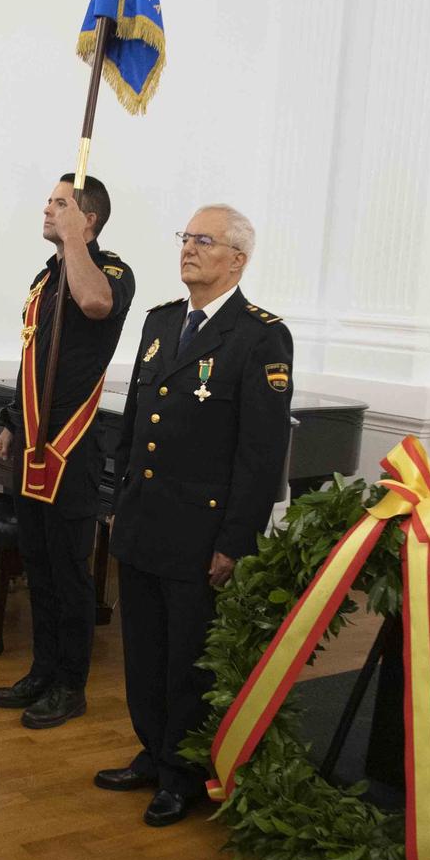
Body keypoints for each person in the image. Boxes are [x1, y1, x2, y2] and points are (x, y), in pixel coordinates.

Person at [100, 205, 292, 825]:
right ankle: (152, 752)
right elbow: (134, 425)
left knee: (187, 658)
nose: (188, 249)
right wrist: (117, 502)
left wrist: (234, 541)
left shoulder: (261, 336)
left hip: (199, 530)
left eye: (202, 241)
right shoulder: (159, 322)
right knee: (145, 650)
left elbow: (260, 457)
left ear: (236, 258)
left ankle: (183, 772)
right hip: (143, 519)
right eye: (185, 238)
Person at [0, 174, 135, 729]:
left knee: (71, 572)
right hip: (30, 441)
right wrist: (10, 421)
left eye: (60, 204)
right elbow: (33, 357)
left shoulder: (112, 271)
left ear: (88, 219)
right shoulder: (44, 277)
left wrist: (76, 242)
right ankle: (42, 670)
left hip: (73, 448)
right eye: (49, 201)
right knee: (40, 566)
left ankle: (71, 685)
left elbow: (95, 305)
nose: (46, 209)